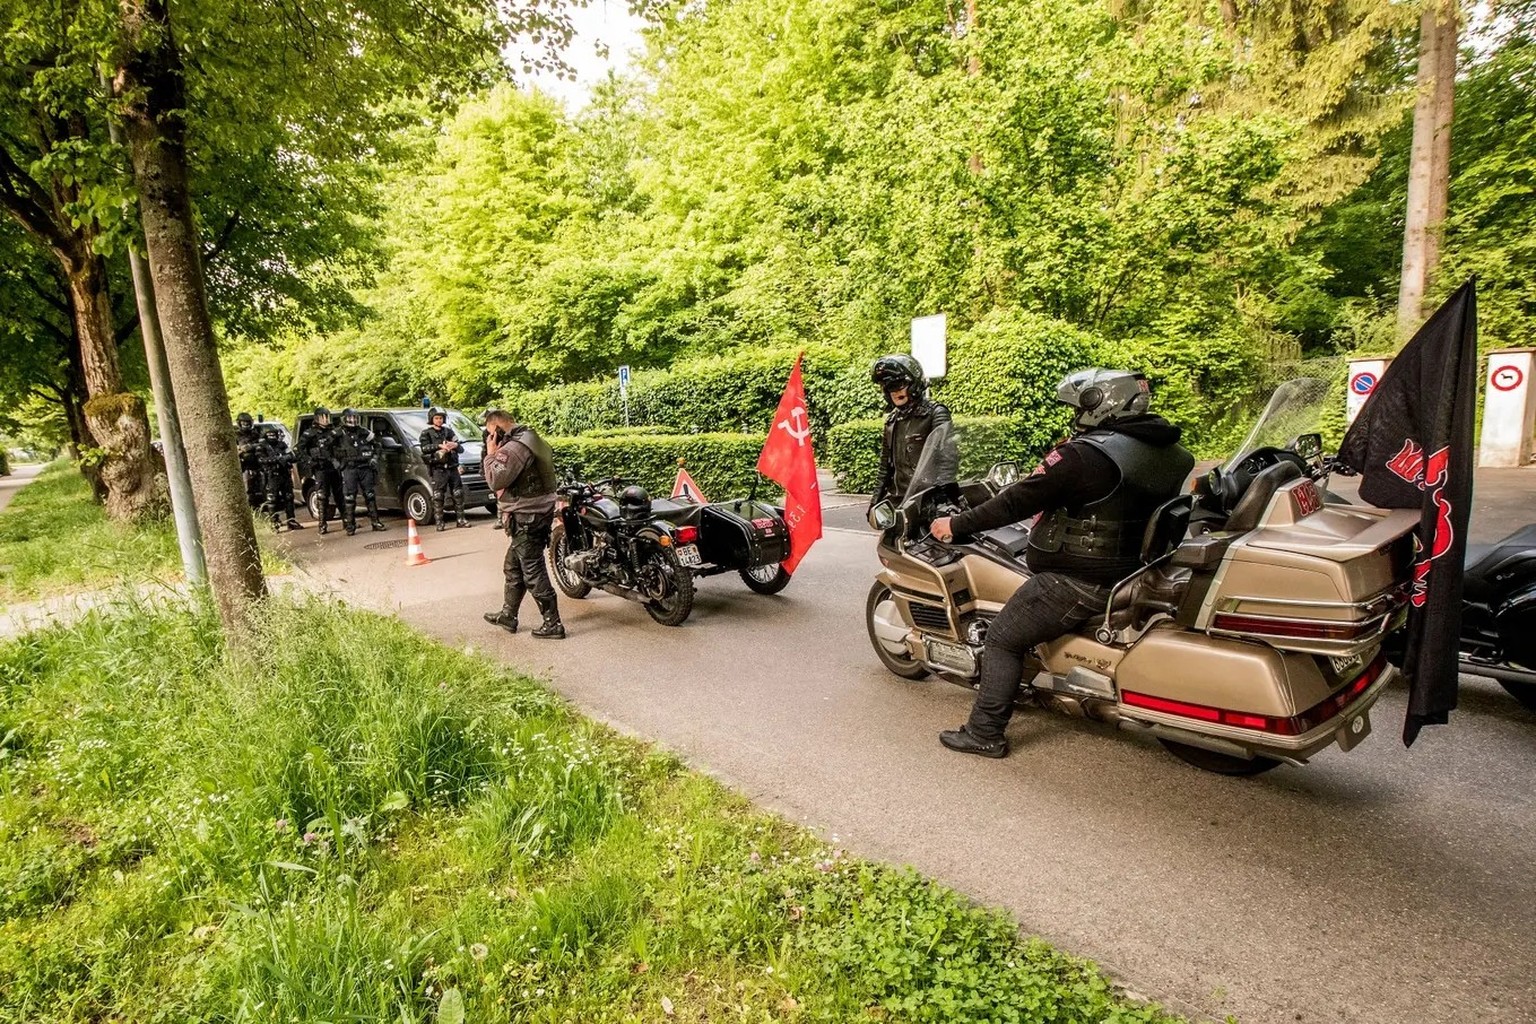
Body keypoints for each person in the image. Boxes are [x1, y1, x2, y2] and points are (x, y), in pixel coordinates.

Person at [929, 368, 1194, 759]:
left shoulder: (1084, 455)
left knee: (1003, 637)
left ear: (1097, 404)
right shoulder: (1171, 453)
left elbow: (1015, 501)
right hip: (1136, 570)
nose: (1073, 415)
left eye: (1077, 407)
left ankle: (984, 732)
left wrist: (954, 523)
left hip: (1078, 579)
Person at [480, 408, 564, 640]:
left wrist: (490, 454)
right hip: (536, 513)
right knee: (513, 566)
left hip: (527, 516)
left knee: (533, 571)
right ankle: (509, 615)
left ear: (496, 429)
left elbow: (495, 479)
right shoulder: (533, 439)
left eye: (488, 432)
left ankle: (553, 623)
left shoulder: (514, 448)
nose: (488, 437)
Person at [870, 354, 951, 509]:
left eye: (898, 385)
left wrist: (942, 497)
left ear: (914, 384)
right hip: (898, 502)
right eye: (888, 387)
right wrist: (874, 502)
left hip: (928, 500)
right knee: (889, 534)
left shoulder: (935, 413)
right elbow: (885, 468)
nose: (894, 392)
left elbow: (947, 460)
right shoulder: (892, 421)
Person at [333, 408, 386, 535]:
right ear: (344, 419)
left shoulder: (364, 432)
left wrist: (374, 458)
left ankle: (375, 522)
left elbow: (377, 445)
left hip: (365, 467)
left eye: (355, 418)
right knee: (350, 497)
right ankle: (350, 525)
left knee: (370, 495)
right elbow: (327, 448)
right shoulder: (338, 433)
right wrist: (334, 462)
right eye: (350, 418)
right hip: (349, 468)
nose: (353, 421)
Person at [418, 406, 469, 531]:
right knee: (438, 495)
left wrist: (454, 445)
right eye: (436, 418)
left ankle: (461, 519)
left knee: (458, 493)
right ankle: (439, 522)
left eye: (441, 418)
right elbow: (424, 449)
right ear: (431, 419)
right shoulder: (426, 433)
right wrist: (439, 446)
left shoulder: (449, 432)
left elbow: (461, 448)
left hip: (452, 467)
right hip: (438, 469)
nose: (439, 420)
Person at [298, 407, 345, 535]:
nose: (326, 420)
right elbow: (300, 450)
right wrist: (310, 461)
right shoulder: (310, 434)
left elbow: (342, 446)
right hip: (320, 468)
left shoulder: (333, 432)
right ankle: (322, 524)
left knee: (339, 495)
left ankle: (347, 521)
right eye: (323, 417)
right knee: (322, 496)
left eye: (327, 417)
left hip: (334, 467)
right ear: (317, 418)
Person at [255, 423, 303, 531]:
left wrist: (285, 458)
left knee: (289, 497)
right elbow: (261, 460)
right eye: (270, 435)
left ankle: (291, 520)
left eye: (274, 434)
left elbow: (292, 456)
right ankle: (274, 522)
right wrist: (276, 459)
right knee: (272, 499)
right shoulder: (262, 447)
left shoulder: (282, 445)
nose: (272, 437)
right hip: (271, 475)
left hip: (284, 474)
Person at [234, 412, 263, 509]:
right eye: (244, 423)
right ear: (239, 423)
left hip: (258, 465)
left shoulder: (256, 434)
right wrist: (242, 449)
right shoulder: (235, 435)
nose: (246, 425)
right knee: (248, 490)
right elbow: (235, 450)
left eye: (248, 423)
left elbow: (262, 445)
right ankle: (251, 509)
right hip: (245, 466)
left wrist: (251, 446)